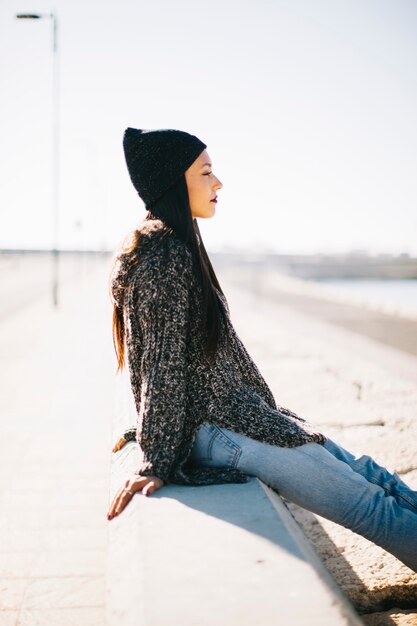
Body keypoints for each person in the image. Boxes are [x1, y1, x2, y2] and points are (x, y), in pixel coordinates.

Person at [106, 127, 417, 572]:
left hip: (238, 415)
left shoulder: (176, 244)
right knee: (370, 507)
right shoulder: (163, 257)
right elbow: (162, 366)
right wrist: (156, 457)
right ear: (176, 181)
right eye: (206, 172)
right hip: (219, 428)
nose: (218, 184)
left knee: (372, 475)